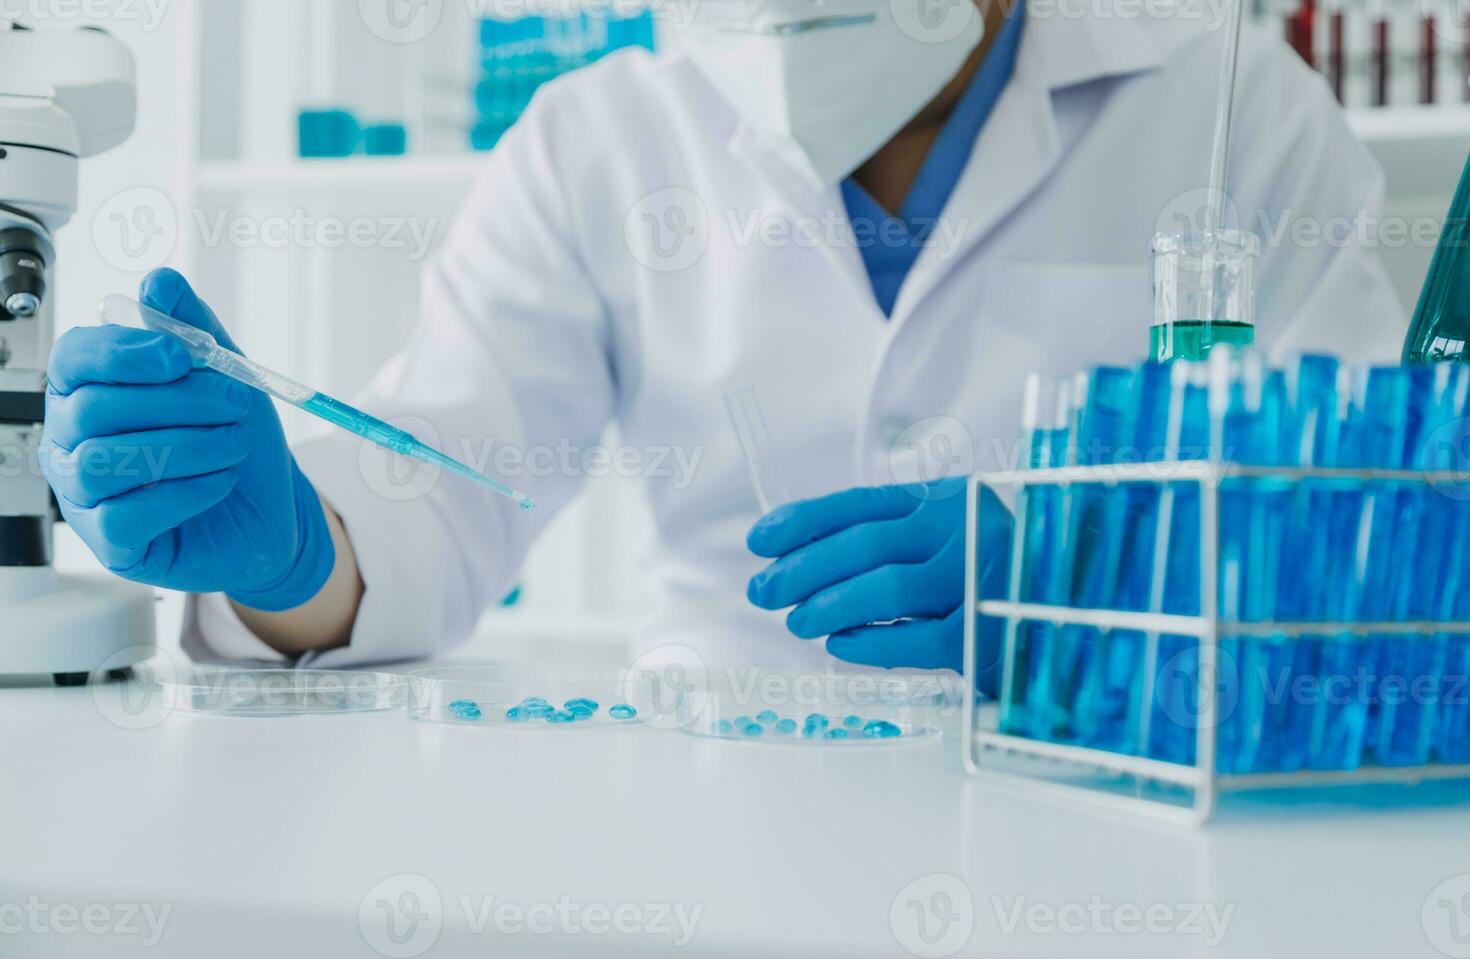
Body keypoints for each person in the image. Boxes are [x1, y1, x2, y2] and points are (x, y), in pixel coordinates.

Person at [43, 0, 1403, 672]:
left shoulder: (1233, 102)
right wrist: (289, 550)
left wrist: (1090, 571)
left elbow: (1360, 545)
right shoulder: (603, 131)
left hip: (1099, 789)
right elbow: (437, 497)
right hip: (712, 798)